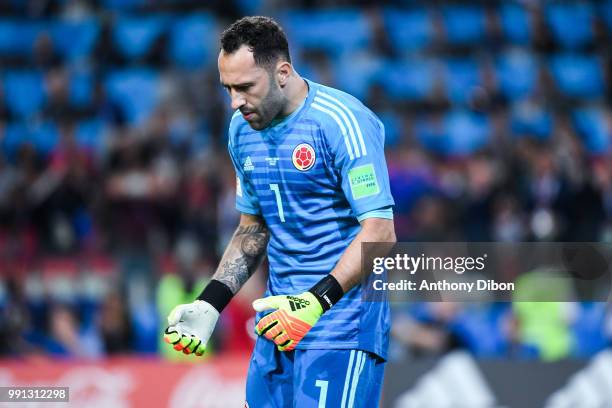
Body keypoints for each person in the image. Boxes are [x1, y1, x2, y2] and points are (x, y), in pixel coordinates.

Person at [163, 16, 396, 407]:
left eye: (245, 87)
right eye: (228, 89)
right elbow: (252, 230)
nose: (235, 101)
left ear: (283, 72)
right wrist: (210, 302)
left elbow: (380, 233)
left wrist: (315, 301)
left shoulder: (342, 122)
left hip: (341, 327)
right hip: (276, 324)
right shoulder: (241, 130)